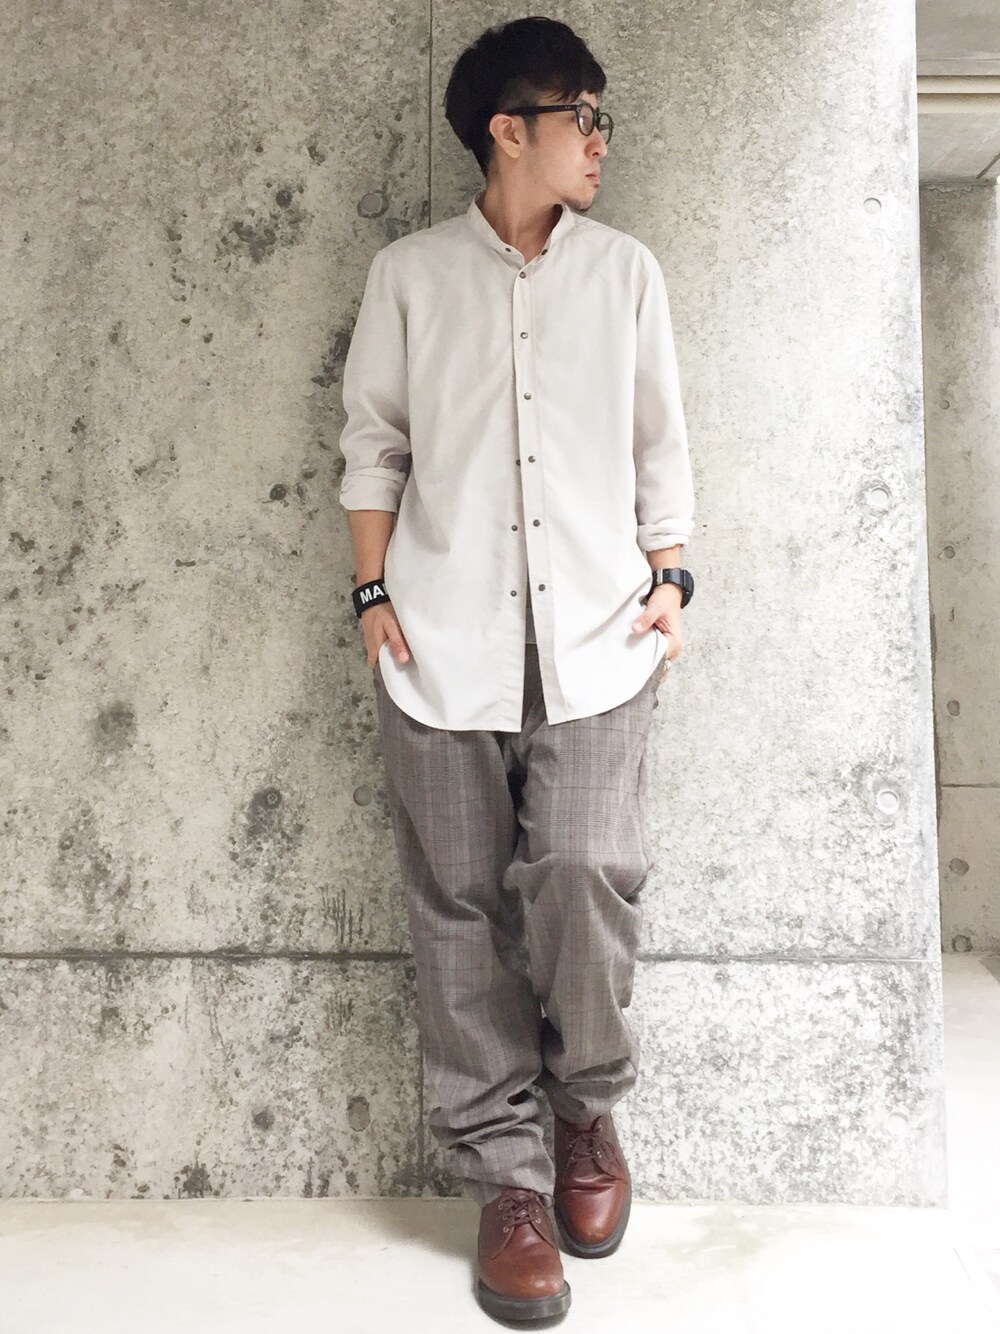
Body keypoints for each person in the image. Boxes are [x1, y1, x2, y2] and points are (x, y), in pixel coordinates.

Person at [337, 15, 695, 1324]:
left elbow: (661, 441)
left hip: (601, 636)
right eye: (580, 115)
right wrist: (372, 590)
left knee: (586, 868)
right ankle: (508, 1178)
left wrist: (673, 577)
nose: (599, 140)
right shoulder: (410, 275)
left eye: (601, 117)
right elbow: (373, 441)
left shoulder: (627, 273)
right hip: (438, 634)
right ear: (508, 128)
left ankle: (585, 1111)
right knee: (457, 906)